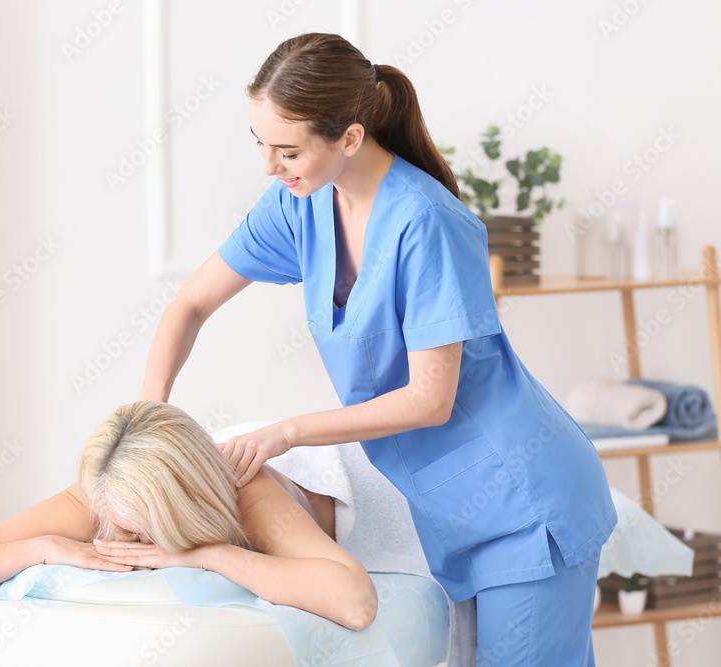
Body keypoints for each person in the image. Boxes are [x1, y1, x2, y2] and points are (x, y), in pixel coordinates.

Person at [138, 32, 617, 665]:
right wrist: (149, 423)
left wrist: (286, 433)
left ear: (351, 137)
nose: (270, 167)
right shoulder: (300, 205)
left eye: (287, 150)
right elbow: (190, 304)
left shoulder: (426, 223)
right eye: (261, 144)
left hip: (525, 503)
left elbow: (429, 399)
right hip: (455, 510)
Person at [0, 400, 377, 631]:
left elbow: (355, 602)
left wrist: (213, 556)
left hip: (385, 487)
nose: (133, 543)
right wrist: (40, 549)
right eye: (122, 526)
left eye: (143, 531)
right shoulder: (106, 487)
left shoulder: (247, 490)